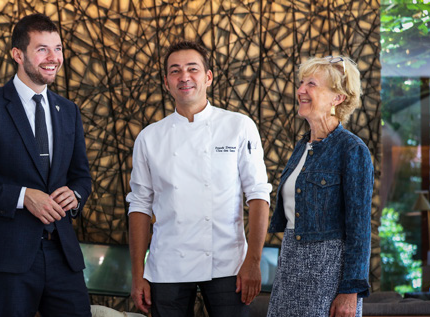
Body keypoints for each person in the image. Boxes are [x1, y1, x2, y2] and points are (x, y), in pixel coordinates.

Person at [126, 40, 272, 317]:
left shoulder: (238, 126)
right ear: (166, 82)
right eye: (175, 71)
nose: (184, 77)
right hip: (168, 264)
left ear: (208, 77)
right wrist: (137, 274)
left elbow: (258, 194)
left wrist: (253, 261)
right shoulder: (149, 137)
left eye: (192, 69)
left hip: (229, 264)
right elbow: (140, 206)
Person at [0, 13, 92, 317]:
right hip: (9, 258)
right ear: (18, 55)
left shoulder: (69, 111)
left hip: (63, 254)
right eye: (42, 49)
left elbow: (82, 177)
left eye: (58, 48)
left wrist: (75, 195)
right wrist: (23, 197)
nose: (53, 58)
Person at [266, 56, 372, 317]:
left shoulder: (352, 149)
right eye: (301, 83)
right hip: (290, 266)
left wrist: (350, 292)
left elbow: (360, 229)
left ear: (337, 98)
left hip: (327, 274)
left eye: (311, 84)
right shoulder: (302, 146)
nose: (301, 90)